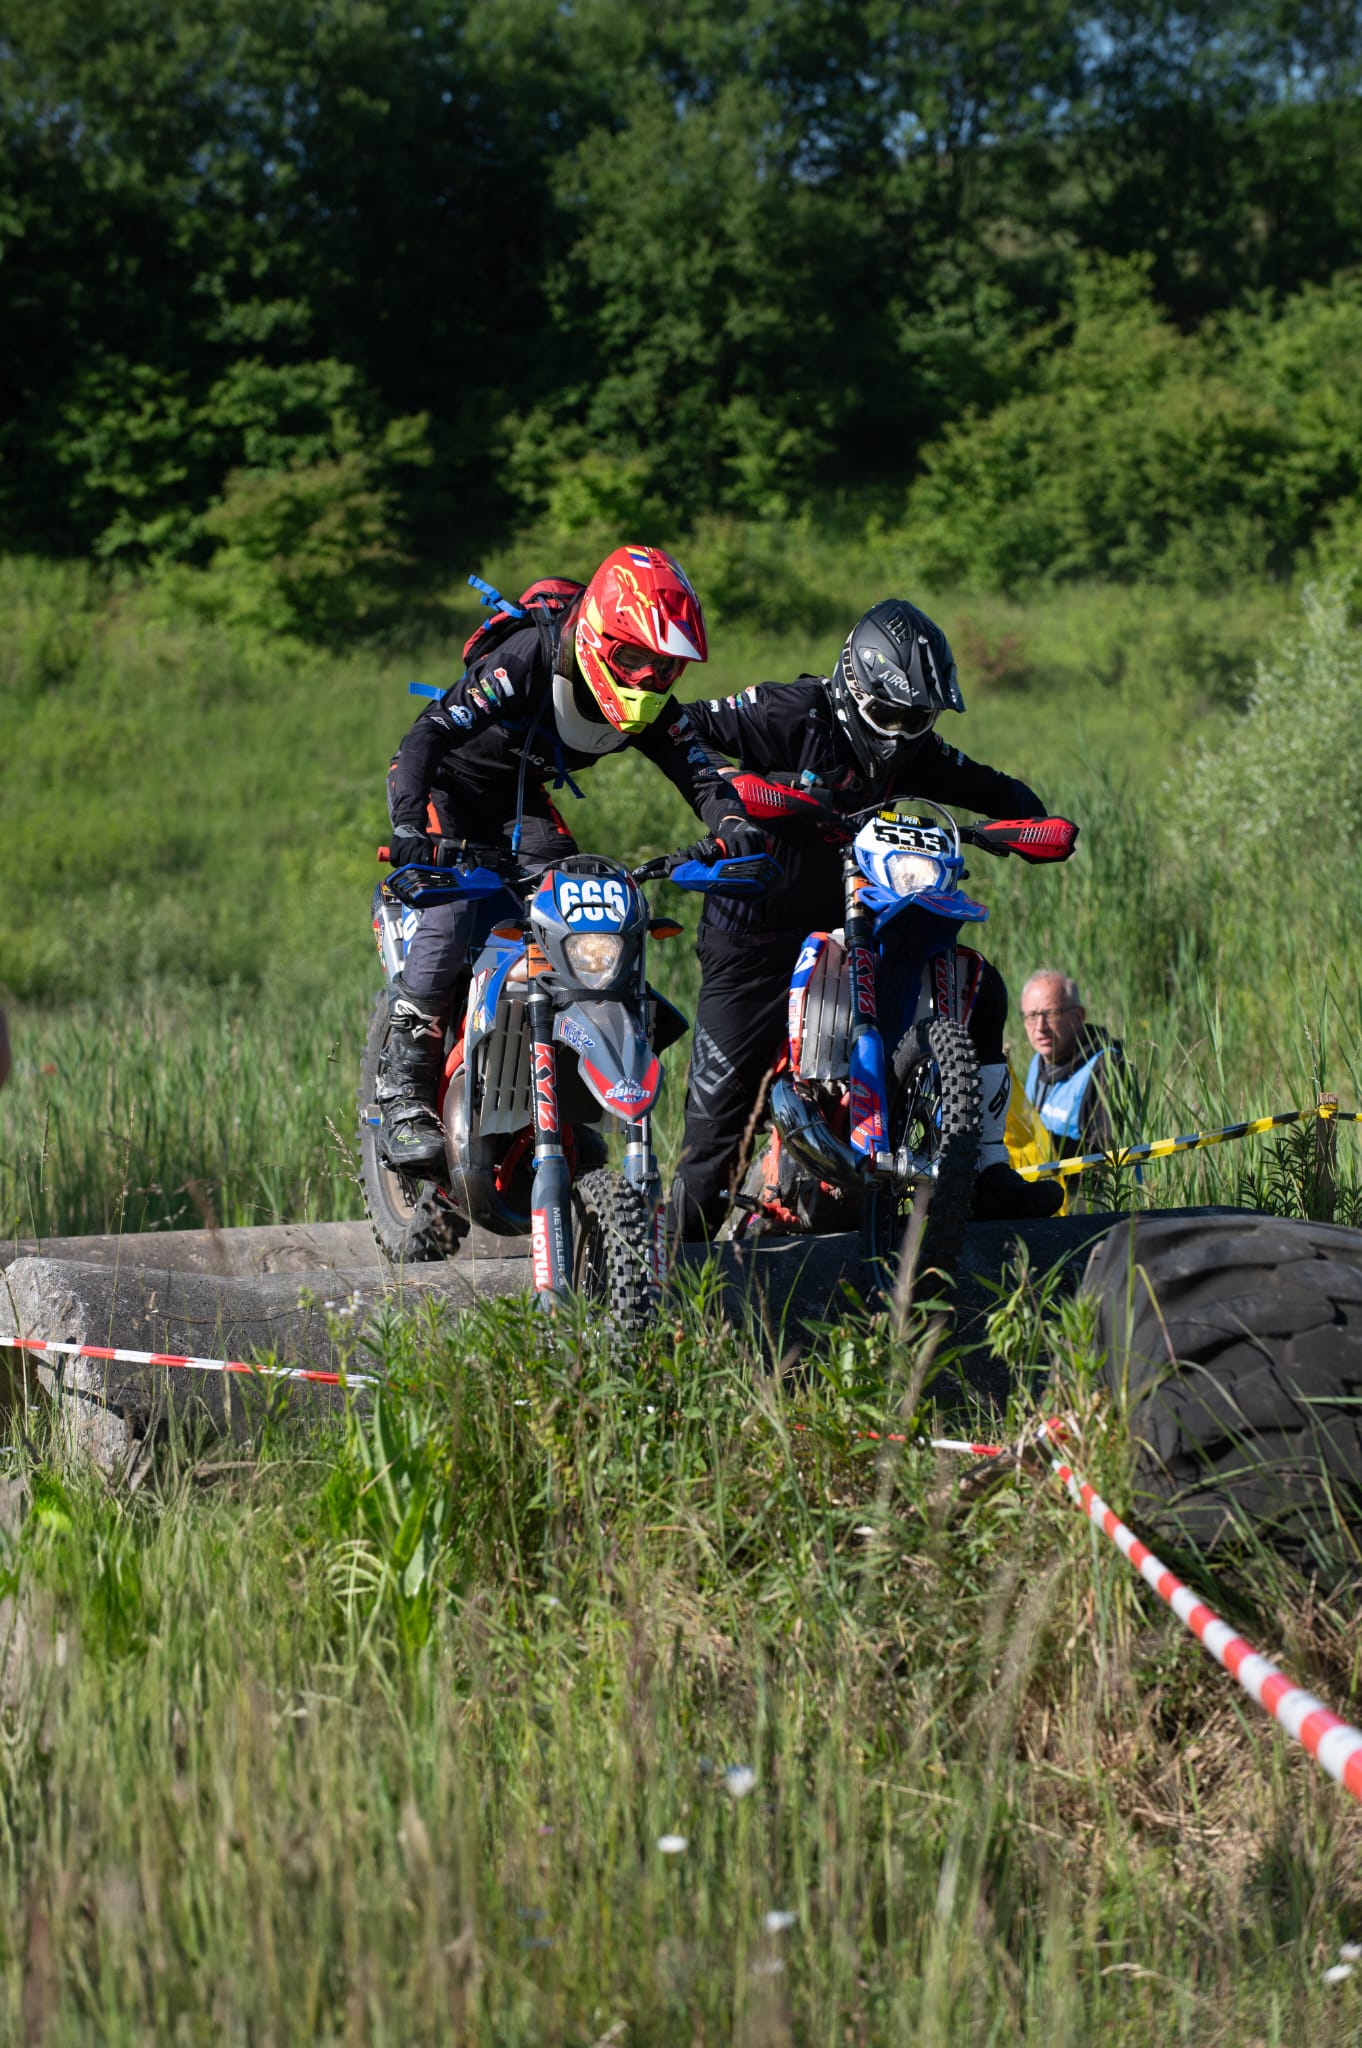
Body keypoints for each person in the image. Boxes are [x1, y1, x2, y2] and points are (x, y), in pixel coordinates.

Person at [668, 598, 1067, 1239]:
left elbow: (1005, 793)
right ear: (854, 689)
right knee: (713, 1155)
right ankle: (668, 1271)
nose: (904, 735)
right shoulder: (788, 712)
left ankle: (984, 1166)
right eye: (893, 716)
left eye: (920, 720)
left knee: (980, 988)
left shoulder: (916, 750)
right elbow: (679, 728)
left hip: (854, 923)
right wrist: (731, 797)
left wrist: (1026, 824)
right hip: (754, 933)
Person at [377, 544, 764, 1167]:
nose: (645, 678)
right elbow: (429, 732)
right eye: (632, 658)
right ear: (595, 638)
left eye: (664, 666)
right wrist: (406, 823)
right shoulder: (526, 660)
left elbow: (699, 772)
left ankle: (553, 1090)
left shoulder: (649, 703)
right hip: (443, 784)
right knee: (451, 912)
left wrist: (735, 823)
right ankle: (404, 1087)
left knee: (576, 909)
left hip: (518, 799)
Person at [1020, 970, 1127, 1156]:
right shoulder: (1039, 1060)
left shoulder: (1108, 1067)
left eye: (1051, 1014)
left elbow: (1109, 1160)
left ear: (1078, 1016)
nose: (1040, 1027)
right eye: (1031, 1016)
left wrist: (1043, 1141)